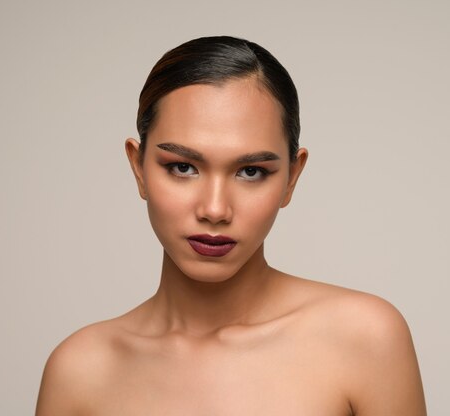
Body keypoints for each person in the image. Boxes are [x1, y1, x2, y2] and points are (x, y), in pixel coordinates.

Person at [35, 35, 426, 415]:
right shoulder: (80, 371)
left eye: (251, 171)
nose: (215, 209)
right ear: (138, 168)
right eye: (183, 167)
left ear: (292, 177)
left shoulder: (364, 339)